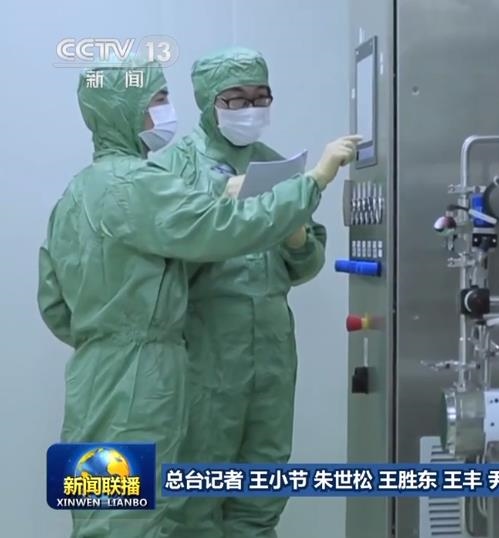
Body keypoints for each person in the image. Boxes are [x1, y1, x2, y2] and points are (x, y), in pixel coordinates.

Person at [36, 57, 360, 538]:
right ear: (126, 109)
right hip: (146, 376)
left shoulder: (79, 190)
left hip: (96, 373)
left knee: (107, 508)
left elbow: (53, 302)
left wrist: (106, 338)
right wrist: (313, 181)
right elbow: (219, 229)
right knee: (141, 516)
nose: (167, 111)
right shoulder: (141, 182)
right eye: (157, 100)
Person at [150, 46, 338, 538]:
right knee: (195, 489)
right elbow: (159, 261)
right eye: (235, 98)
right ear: (208, 100)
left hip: (272, 349)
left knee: (264, 483)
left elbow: (306, 265)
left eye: (260, 97)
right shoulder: (174, 168)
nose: (250, 109)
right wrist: (217, 202)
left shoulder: (277, 166)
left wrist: (296, 236)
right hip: (206, 348)